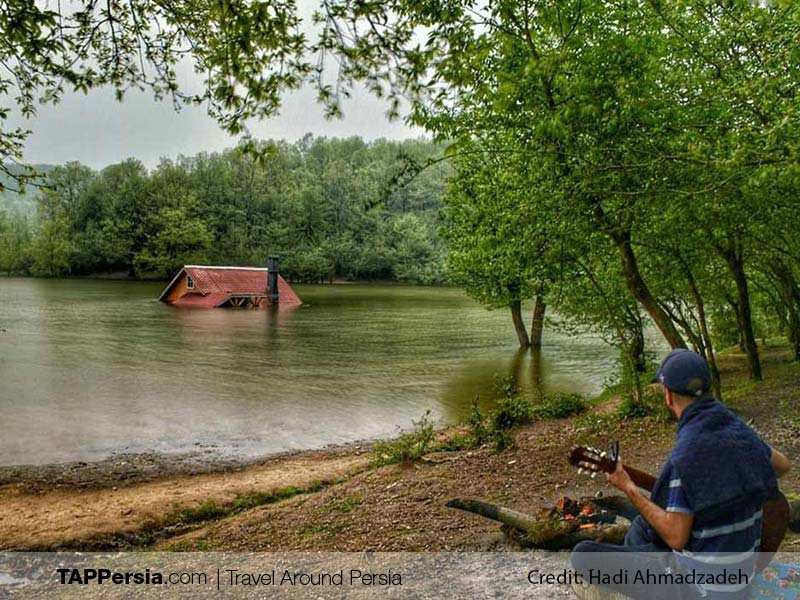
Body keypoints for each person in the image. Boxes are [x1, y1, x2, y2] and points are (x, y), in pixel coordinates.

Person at [570, 349, 792, 600]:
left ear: (667, 395)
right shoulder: (740, 433)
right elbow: (783, 465)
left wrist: (628, 487)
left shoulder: (686, 456)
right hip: (740, 576)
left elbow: (676, 537)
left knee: (583, 553)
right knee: (642, 526)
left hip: (704, 591)